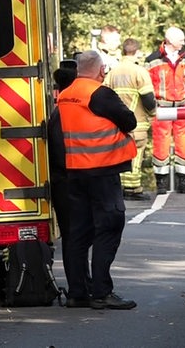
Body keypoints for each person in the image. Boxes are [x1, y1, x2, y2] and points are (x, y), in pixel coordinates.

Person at [58, 50, 138, 310]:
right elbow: (130, 120)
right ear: (101, 70)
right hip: (102, 171)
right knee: (110, 227)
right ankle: (102, 292)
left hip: (76, 172)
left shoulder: (66, 94)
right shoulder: (99, 93)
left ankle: (77, 293)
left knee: (79, 233)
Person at [46, 61, 88, 293]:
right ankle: (79, 288)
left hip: (64, 182)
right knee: (75, 238)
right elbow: (64, 153)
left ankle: (81, 284)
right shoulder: (64, 113)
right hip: (68, 182)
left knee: (75, 237)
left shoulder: (59, 110)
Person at [146, 26, 185, 194]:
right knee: (160, 144)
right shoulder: (153, 60)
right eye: (181, 40)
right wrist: (153, 105)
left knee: (184, 144)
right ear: (169, 40)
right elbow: (147, 84)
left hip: (183, 108)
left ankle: (183, 181)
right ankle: (161, 182)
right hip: (162, 108)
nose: (184, 42)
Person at [104, 38, 156, 200]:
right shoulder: (139, 72)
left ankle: (121, 187)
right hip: (137, 124)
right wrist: (153, 112)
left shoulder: (112, 73)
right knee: (136, 155)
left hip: (115, 125)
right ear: (137, 52)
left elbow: (104, 96)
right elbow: (148, 98)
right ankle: (133, 188)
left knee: (120, 155)